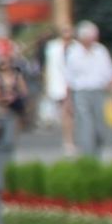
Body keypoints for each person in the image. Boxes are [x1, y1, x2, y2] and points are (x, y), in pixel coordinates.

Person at [64, 22, 112, 157]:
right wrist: (68, 100)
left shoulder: (101, 51)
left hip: (99, 91)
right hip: (81, 92)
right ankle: (88, 158)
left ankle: (97, 152)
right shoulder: (73, 53)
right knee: (85, 125)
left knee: (100, 127)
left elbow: (110, 74)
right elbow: (69, 79)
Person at [41, 24, 75, 154]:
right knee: (66, 114)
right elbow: (48, 67)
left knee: (70, 114)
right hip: (59, 84)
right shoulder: (53, 47)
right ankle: (68, 141)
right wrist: (47, 83)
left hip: (74, 85)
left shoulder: (76, 47)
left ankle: (71, 139)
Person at [0, 45, 28, 148]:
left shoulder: (16, 75)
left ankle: (13, 139)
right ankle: (3, 136)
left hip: (15, 101)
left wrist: (15, 95)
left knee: (16, 114)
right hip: (2, 102)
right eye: (1, 63)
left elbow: (24, 90)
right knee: (3, 112)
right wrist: (3, 98)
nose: (3, 65)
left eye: (5, 62)